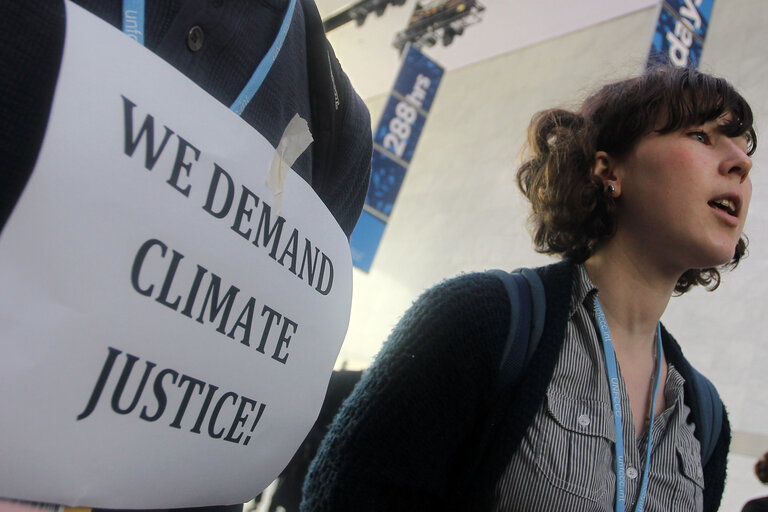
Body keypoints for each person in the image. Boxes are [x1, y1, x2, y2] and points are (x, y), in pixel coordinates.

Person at [301, 66, 755, 512]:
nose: (742, 161)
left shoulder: (705, 417)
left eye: (744, 145)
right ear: (608, 170)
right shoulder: (479, 321)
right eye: (701, 136)